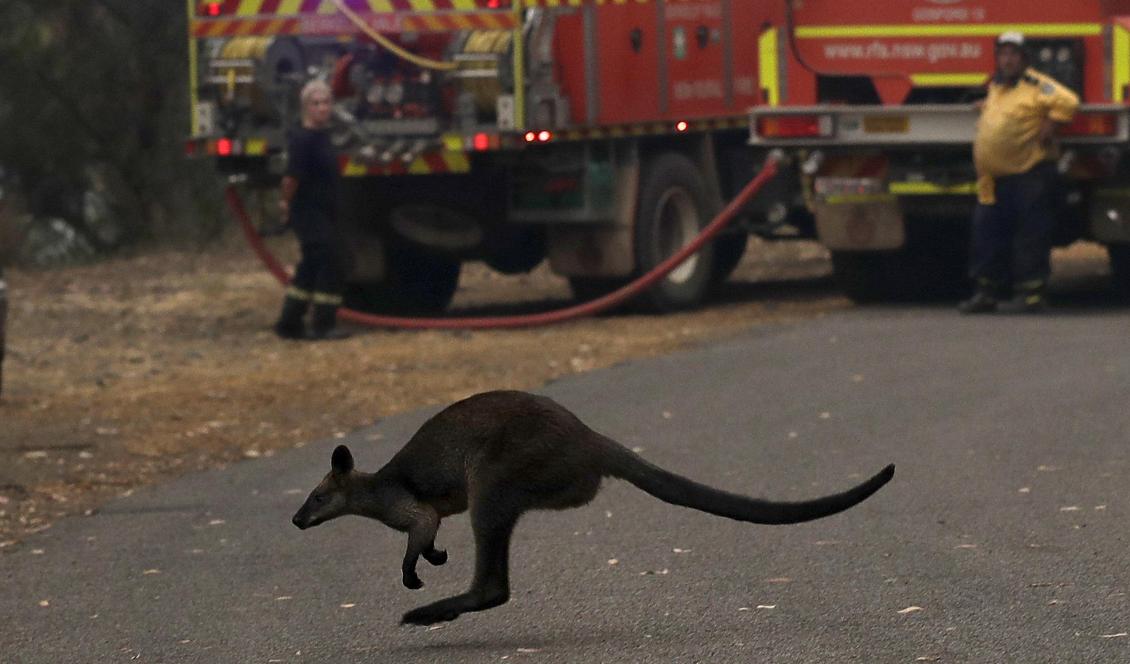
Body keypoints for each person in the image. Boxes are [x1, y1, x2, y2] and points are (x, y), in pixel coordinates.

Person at [958, 31, 1079, 314]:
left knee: (1030, 235)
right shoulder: (998, 87)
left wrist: (1053, 122)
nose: (1007, 59)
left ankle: (1032, 294)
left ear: (1025, 58)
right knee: (986, 235)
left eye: (1013, 54)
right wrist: (985, 107)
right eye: (1003, 54)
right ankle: (986, 292)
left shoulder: (1036, 84)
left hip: (1029, 175)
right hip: (993, 180)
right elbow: (1006, 113)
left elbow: (1069, 102)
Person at [274, 79, 350, 340]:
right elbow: (290, 178)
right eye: (316, 103)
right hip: (308, 211)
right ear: (305, 107)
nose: (322, 108)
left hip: (325, 210)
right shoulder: (302, 140)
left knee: (312, 264)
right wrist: (285, 204)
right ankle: (323, 323)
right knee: (330, 259)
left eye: (326, 102)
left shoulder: (322, 137)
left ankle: (289, 322)